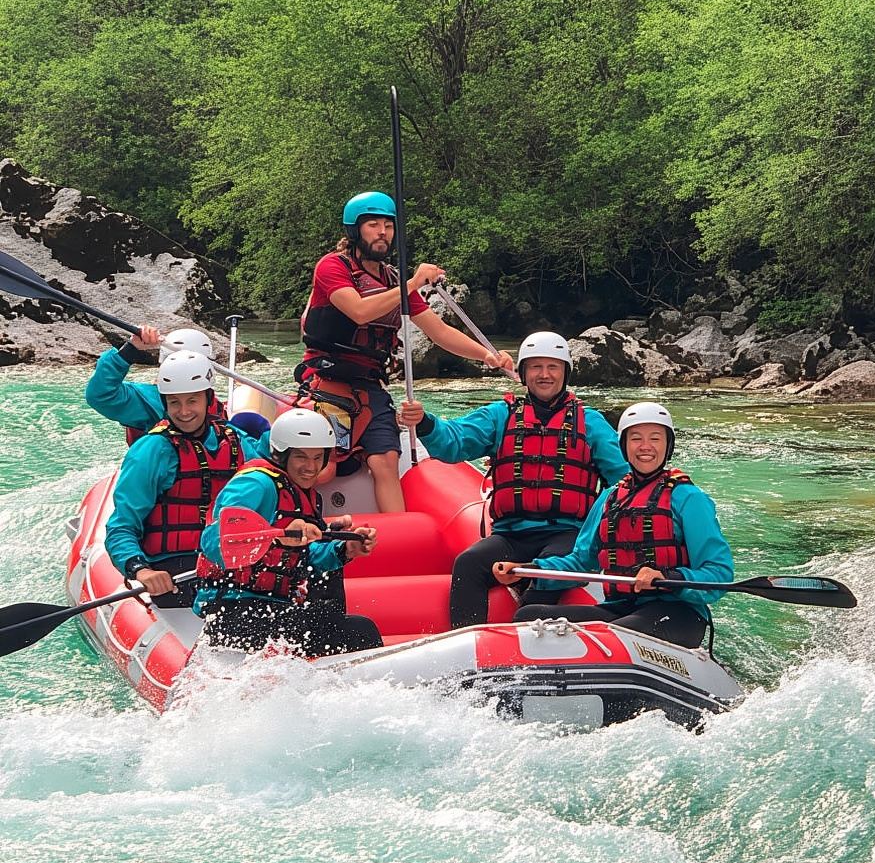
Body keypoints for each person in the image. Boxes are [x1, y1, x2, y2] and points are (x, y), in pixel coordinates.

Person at [298, 191, 515, 513]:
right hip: (327, 380)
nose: (382, 232)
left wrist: (486, 355)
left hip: (370, 387)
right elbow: (358, 311)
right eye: (373, 224)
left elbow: (438, 331)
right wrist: (412, 284)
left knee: (385, 460)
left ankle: (398, 536)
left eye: (388, 225)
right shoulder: (333, 267)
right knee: (324, 467)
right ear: (355, 231)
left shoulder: (393, 280)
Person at [396, 331, 628, 627]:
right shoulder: (501, 415)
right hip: (511, 534)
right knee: (468, 563)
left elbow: (623, 482)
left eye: (553, 367)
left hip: (567, 534)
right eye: (536, 367)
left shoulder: (591, 423)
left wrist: (600, 533)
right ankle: (470, 647)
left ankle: (525, 634)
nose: (544, 375)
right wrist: (426, 422)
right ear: (523, 373)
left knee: (545, 575)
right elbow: (454, 443)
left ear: (565, 373)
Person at [493, 402, 734, 648]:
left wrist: (669, 576)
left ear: (667, 445)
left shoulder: (689, 498)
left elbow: (719, 572)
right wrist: (527, 570)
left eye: (655, 438)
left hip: (679, 611)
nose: (645, 447)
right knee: (528, 616)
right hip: (620, 608)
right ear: (624, 446)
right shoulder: (609, 498)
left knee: (619, 636)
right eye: (636, 438)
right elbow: (580, 562)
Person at [195, 409, 381, 656]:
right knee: (360, 631)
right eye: (301, 457)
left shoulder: (306, 494)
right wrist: (277, 534)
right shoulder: (256, 484)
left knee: (356, 629)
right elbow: (213, 542)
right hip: (233, 610)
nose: (311, 467)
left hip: (277, 608)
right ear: (282, 456)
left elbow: (307, 556)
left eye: (318, 458)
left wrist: (344, 549)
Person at [104, 352, 262, 608]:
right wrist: (141, 570)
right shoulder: (151, 450)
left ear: (208, 399)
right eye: (175, 402)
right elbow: (122, 525)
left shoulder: (237, 441)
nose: (184, 411)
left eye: (192, 400)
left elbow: (273, 491)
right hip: (175, 571)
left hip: (231, 565)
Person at [85, 326, 228, 440]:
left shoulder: (219, 408)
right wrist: (131, 349)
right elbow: (101, 395)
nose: (184, 411)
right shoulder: (149, 401)